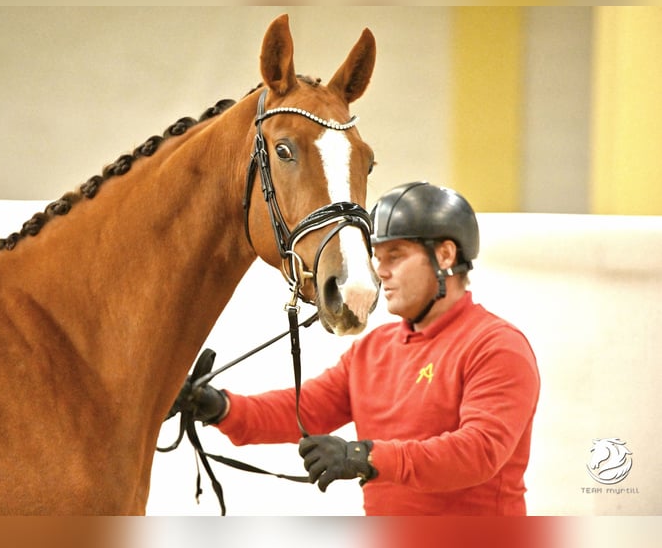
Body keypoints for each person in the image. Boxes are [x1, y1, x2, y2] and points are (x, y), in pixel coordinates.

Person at [170, 181, 540, 515]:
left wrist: (365, 456)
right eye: (377, 257)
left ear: (444, 256)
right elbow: (302, 410)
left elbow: (478, 452)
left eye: (395, 256)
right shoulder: (374, 349)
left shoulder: (496, 347)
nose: (380, 271)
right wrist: (219, 406)